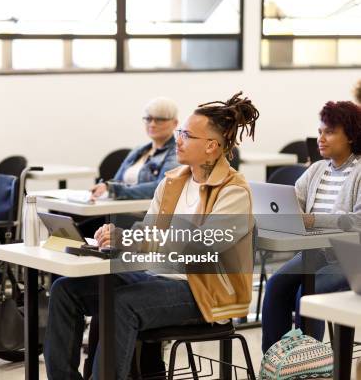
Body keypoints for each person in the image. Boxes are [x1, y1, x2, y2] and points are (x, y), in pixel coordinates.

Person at [45, 92, 259, 380]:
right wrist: (115, 237)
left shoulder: (233, 191)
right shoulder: (172, 182)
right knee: (65, 291)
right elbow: (148, 233)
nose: (178, 139)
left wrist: (131, 239)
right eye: (180, 132)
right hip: (155, 275)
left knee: (120, 304)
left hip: (205, 290)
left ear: (211, 146)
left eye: (186, 134)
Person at [261, 100, 361, 353]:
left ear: (350, 136)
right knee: (275, 287)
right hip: (314, 252)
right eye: (319, 132)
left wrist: (314, 220)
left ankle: (307, 362)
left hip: (350, 258)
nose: (321, 138)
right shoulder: (316, 169)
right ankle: (276, 361)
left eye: (329, 132)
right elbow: (292, 203)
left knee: (307, 295)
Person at [91, 97, 179, 200]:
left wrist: (114, 189)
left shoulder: (177, 153)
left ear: (175, 123)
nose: (152, 124)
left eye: (159, 119)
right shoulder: (139, 150)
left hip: (146, 212)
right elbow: (117, 181)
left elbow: (161, 188)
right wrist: (105, 187)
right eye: (148, 119)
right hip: (120, 207)